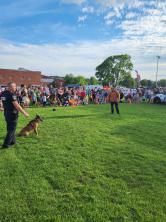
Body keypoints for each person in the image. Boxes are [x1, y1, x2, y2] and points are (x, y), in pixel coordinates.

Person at [0, 82, 29, 149]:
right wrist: (25, 113)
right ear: (10, 87)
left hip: (6, 113)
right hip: (12, 114)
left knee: (10, 128)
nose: (15, 87)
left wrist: (1, 107)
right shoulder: (12, 94)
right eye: (15, 86)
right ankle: (6, 145)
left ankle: (13, 141)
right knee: (11, 129)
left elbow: (1, 101)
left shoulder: (3, 93)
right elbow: (17, 106)